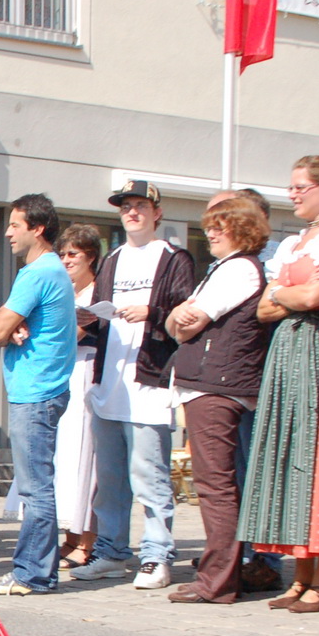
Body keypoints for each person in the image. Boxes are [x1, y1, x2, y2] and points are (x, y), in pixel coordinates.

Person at [240, 156, 319, 613]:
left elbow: (317, 297)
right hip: (290, 349)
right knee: (291, 454)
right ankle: (301, 572)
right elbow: (263, 308)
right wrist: (288, 296)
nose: (293, 194)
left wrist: (287, 296)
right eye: (291, 187)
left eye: (301, 187)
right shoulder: (296, 241)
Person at [73, 180, 194, 591]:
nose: (133, 212)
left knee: (150, 475)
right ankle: (110, 552)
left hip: (149, 382)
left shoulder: (174, 258)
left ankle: (157, 554)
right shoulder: (112, 260)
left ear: (157, 212)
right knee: (109, 480)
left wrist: (153, 311)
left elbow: (184, 312)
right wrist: (89, 319)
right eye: (126, 206)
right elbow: (101, 317)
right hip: (110, 382)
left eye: (141, 205)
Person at [164, 197, 272, 604]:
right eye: (209, 226)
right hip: (211, 382)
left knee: (216, 486)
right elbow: (178, 322)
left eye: (219, 227)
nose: (210, 233)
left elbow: (189, 323)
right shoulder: (226, 269)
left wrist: (183, 316)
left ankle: (218, 581)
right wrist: (181, 318)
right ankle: (221, 574)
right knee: (218, 484)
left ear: (241, 231)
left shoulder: (240, 268)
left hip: (216, 385)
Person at [0, 193, 78, 597]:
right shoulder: (50, 271)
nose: (7, 233)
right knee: (37, 485)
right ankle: (38, 571)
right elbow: (3, 324)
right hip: (42, 391)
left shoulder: (38, 272)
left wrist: (10, 322)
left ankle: (32, 575)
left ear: (37, 229)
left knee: (36, 487)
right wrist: (11, 321)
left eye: (15, 225)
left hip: (36, 393)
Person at [53, 224, 103, 568]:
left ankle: (87, 540)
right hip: (63, 372)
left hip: (88, 370)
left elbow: (77, 333)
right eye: (64, 254)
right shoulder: (64, 292)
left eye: (74, 254)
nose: (67, 259)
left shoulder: (98, 294)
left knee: (86, 457)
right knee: (66, 459)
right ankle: (69, 536)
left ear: (91, 257)